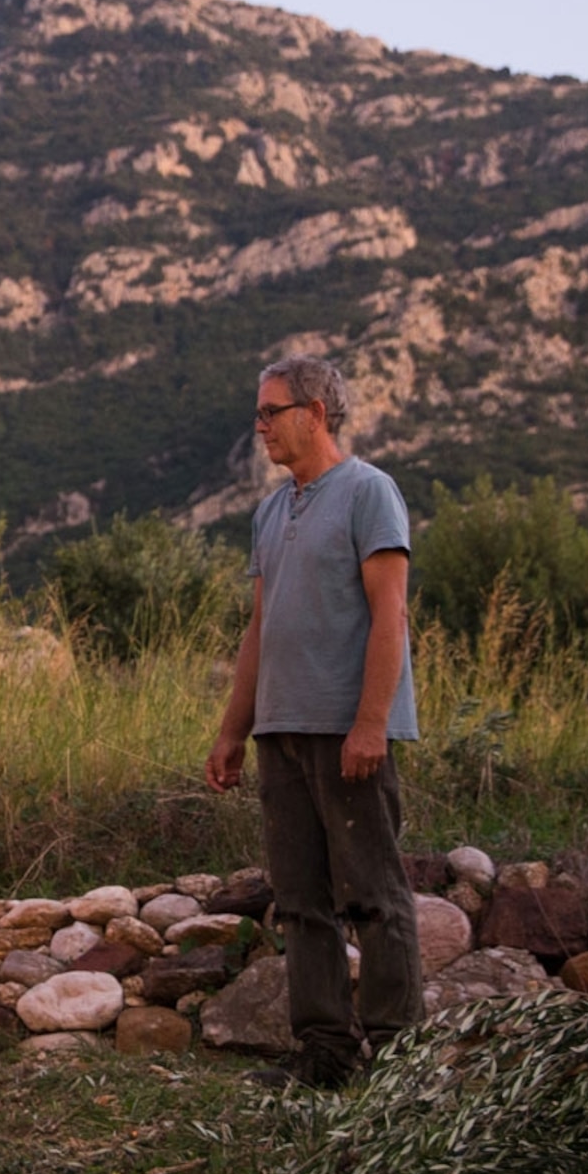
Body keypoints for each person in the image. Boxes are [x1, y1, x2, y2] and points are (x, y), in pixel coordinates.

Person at [202, 353, 423, 1086]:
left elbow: (390, 616)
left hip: (345, 731)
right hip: (281, 732)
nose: (258, 426)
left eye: (271, 411)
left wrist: (371, 723)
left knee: (375, 897)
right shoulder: (271, 510)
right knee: (300, 902)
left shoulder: (369, 493)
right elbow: (260, 629)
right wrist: (234, 731)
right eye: (258, 413)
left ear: (315, 414)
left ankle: (396, 1061)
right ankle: (324, 1056)